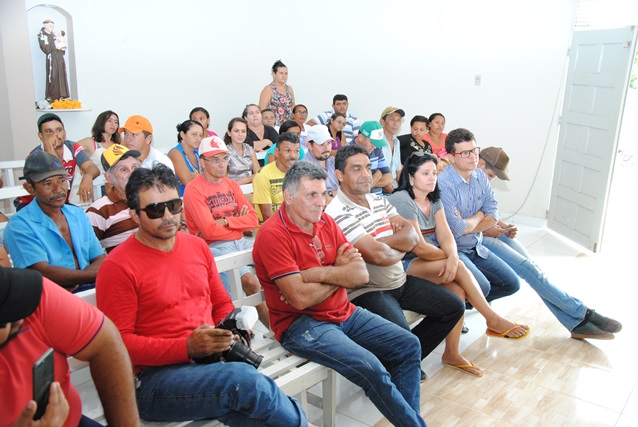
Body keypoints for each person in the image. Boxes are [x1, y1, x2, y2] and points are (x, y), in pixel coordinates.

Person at [96, 164, 308, 425]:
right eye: (155, 210)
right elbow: (119, 346)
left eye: (174, 206)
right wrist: (187, 347)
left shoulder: (196, 247)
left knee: (250, 405)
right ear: (135, 215)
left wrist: (230, 330)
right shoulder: (118, 266)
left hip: (207, 361)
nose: (167, 216)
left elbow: (221, 304)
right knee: (243, 383)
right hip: (153, 379)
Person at [253, 161, 427, 427]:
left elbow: (360, 275)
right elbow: (300, 299)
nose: (320, 202)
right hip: (301, 324)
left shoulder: (326, 221)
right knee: (371, 368)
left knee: (408, 345)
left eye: (323, 194)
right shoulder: (272, 235)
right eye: (312, 194)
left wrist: (315, 274)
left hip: (343, 312)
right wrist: (339, 272)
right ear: (288, 197)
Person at [325, 145, 464, 379]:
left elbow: (411, 237)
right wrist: (400, 246)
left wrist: (385, 244)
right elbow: (377, 256)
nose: (366, 174)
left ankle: (403, 361)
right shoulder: (337, 211)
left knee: (453, 308)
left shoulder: (378, 200)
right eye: (356, 169)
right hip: (369, 290)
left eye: (368, 168)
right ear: (339, 175)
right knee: (405, 341)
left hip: (400, 280)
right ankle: (402, 362)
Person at [388, 153, 530, 376]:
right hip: (405, 262)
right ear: (411, 177)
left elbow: (446, 236)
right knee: (460, 268)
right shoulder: (402, 199)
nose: (432, 178)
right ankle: (492, 319)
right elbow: (419, 247)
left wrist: (452, 257)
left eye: (434, 173)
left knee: (458, 291)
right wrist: (451, 259)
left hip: (432, 260)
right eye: (425, 173)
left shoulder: (434, 199)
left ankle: (451, 354)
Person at [475, 146, 623, 340]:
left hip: (491, 231)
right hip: (477, 238)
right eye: (490, 175)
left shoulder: (481, 182)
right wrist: (489, 230)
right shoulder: (459, 181)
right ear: (481, 163)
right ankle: (583, 313)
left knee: (535, 270)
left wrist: (504, 226)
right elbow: (459, 225)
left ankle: (575, 324)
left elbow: (490, 212)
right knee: (529, 269)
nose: (490, 180)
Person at [0, 267, 139, 427]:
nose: (19, 320)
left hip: (72, 419)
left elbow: (106, 343)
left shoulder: (22, 291)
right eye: (5, 318)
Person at [184, 136, 269, 328]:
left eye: (224, 158)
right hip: (215, 247)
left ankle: (286, 325)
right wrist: (238, 223)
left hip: (241, 241)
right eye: (215, 160)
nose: (222, 164)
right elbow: (209, 232)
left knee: (279, 265)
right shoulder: (194, 190)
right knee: (250, 282)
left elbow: (253, 220)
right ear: (202, 162)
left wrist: (225, 222)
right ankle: (278, 332)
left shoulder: (231, 184)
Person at [4, 151, 105, 292]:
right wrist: (98, 274)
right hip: (49, 298)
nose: (58, 189)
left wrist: (80, 282)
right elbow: (42, 273)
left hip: (89, 289)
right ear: (29, 188)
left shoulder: (77, 214)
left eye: (62, 180)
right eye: (47, 183)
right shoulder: (19, 225)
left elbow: (99, 258)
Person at [18, 113, 100, 208]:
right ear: (41, 136)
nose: (55, 135)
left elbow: (92, 168)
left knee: (80, 214)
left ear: (64, 132)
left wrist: (88, 176)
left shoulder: (72, 147)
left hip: (59, 202)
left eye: (59, 130)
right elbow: (56, 174)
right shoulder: (35, 155)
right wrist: (49, 147)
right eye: (49, 131)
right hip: (34, 204)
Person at [86, 144, 141, 253]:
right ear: (109, 178)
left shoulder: (153, 198)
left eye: (135, 168)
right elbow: (85, 252)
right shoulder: (99, 211)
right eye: (124, 170)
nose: (132, 174)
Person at [252, 132, 300, 222]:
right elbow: (267, 216)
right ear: (277, 152)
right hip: (272, 227)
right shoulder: (263, 176)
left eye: (296, 151)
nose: (293, 156)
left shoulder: (300, 174)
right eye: (287, 151)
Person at [77, 110, 123, 195]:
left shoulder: (120, 143)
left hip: (117, 186)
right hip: (98, 187)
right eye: (109, 121)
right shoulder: (90, 142)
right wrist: (81, 167)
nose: (113, 124)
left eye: (116, 122)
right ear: (101, 122)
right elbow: (70, 150)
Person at [347, 120, 392, 196]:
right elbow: (354, 186)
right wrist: (378, 174)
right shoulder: (348, 152)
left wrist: (368, 184)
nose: (374, 147)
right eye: (372, 142)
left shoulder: (377, 149)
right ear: (361, 138)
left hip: (379, 198)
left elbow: (389, 178)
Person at [302, 125, 339, 205]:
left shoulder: (333, 161)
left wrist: (330, 193)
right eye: (321, 144)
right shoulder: (304, 168)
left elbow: (349, 190)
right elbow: (323, 201)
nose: (326, 148)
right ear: (310, 145)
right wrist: (337, 193)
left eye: (328, 143)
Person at [168, 119, 204, 195]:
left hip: (201, 196)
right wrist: (205, 177)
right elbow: (187, 181)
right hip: (183, 198)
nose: (198, 139)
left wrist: (196, 176)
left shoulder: (198, 153)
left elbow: (214, 177)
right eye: (194, 134)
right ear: (182, 135)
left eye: (201, 135)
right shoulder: (175, 153)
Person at [37, 20, 69, 101]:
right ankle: (52, 96)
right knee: (53, 76)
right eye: (50, 26)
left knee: (61, 75)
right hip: (52, 59)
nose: (52, 28)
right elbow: (45, 48)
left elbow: (60, 46)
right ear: (45, 25)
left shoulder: (54, 35)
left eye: (53, 26)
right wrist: (54, 43)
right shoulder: (42, 36)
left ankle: (62, 95)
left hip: (59, 57)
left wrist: (62, 46)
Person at [258, 60, 295, 126]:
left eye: (286, 73)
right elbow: (262, 111)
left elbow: (293, 108)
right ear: (274, 74)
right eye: (281, 73)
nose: (284, 76)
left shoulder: (289, 89)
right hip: (274, 126)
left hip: (288, 126)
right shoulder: (268, 89)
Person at [224, 117, 260, 185]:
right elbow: (224, 181)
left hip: (252, 186)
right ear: (229, 133)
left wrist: (248, 180)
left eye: (243, 131)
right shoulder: (224, 152)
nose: (240, 134)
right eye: (236, 131)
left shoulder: (249, 149)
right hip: (233, 188)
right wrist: (247, 180)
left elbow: (258, 174)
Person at [379, 106, 405, 194]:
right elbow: (378, 174)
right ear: (382, 122)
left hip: (393, 186)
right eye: (392, 119)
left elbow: (398, 171)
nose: (396, 123)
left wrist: (403, 190)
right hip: (379, 188)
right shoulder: (377, 142)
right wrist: (395, 194)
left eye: (399, 120)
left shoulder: (396, 141)